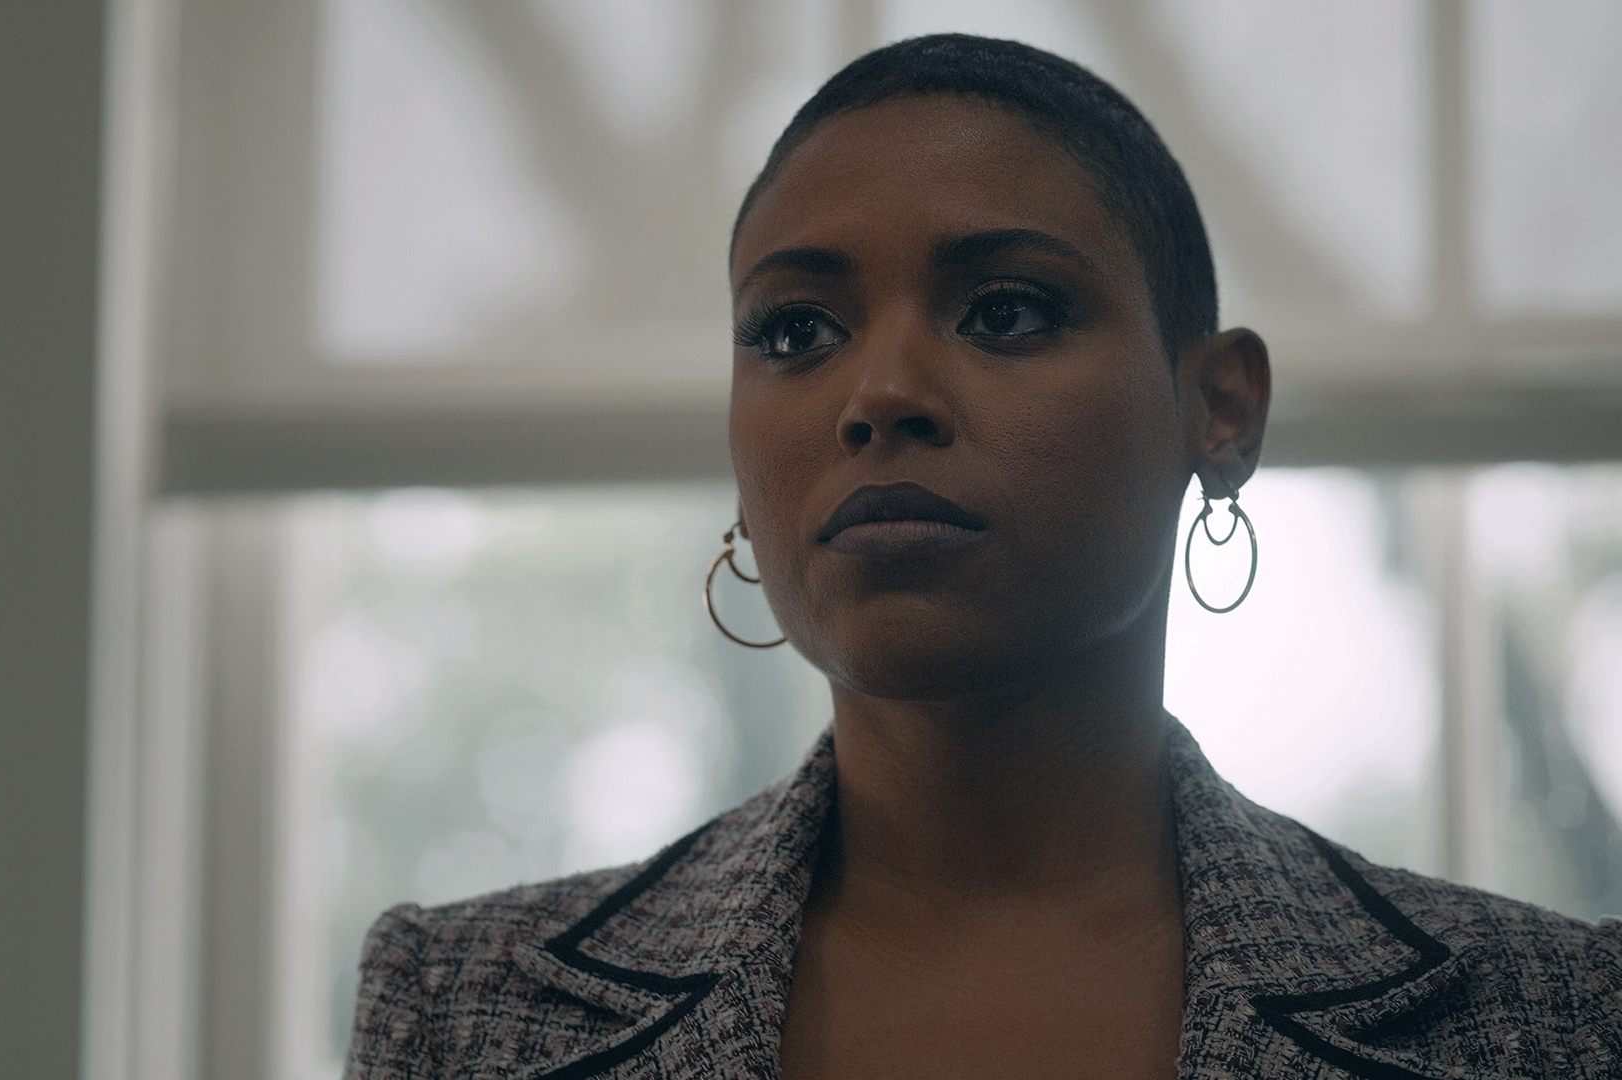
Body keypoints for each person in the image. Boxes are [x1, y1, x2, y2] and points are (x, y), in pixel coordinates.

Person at [345, 34, 1622, 1078]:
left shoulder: (1557, 1019)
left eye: (1005, 309)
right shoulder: (462, 1013)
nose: (879, 395)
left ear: (1220, 408)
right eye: (795, 332)